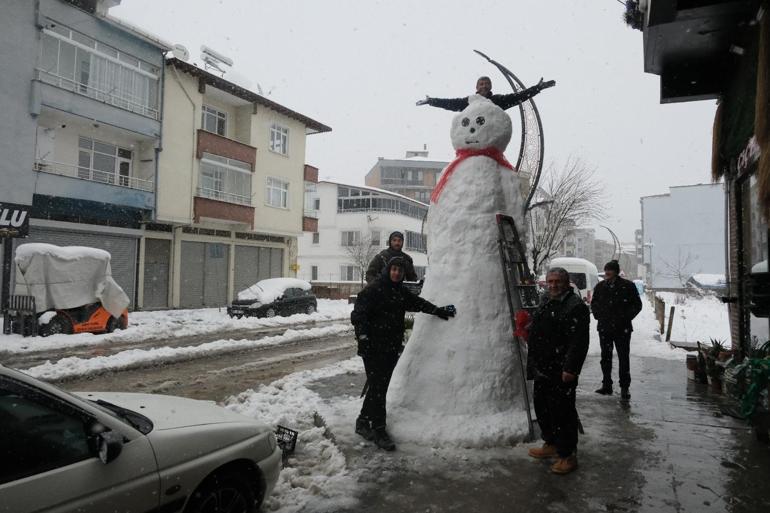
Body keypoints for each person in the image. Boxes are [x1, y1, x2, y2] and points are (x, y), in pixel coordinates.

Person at [351, 256, 455, 451]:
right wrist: (363, 337)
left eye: (400, 270)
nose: (396, 273)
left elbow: (418, 303)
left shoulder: (400, 292)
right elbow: (358, 314)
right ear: (388, 270)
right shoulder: (374, 289)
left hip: (390, 348)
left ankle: (363, 422)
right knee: (378, 388)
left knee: (378, 387)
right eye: (394, 269)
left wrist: (437, 310)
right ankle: (379, 430)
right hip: (372, 347)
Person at [526, 267, 590, 475]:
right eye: (550, 281)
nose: (553, 285)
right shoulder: (547, 300)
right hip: (543, 367)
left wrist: (571, 368)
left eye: (557, 281)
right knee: (543, 408)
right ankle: (551, 444)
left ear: (566, 282)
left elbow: (579, 342)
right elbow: (543, 327)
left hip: (561, 369)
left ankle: (567, 454)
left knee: (563, 413)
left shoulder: (575, 306)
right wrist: (528, 329)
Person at [590, 260, 643, 400]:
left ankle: (624, 387)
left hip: (622, 329)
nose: (607, 272)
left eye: (610, 270)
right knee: (605, 358)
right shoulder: (600, 286)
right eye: (606, 269)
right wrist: (598, 315)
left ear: (616, 272)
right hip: (605, 328)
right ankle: (606, 385)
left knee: (623, 358)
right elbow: (594, 303)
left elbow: (637, 305)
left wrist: (625, 318)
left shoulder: (628, 286)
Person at [416, 75, 555, 112]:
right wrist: (432, 101)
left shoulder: (497, 101)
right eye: (481, 84)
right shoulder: (469, 101)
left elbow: (519, 96)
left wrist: (537, 88)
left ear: (491, 86)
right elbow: (450, 103)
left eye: (487, 83)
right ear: (477, 87)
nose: (484, 86)